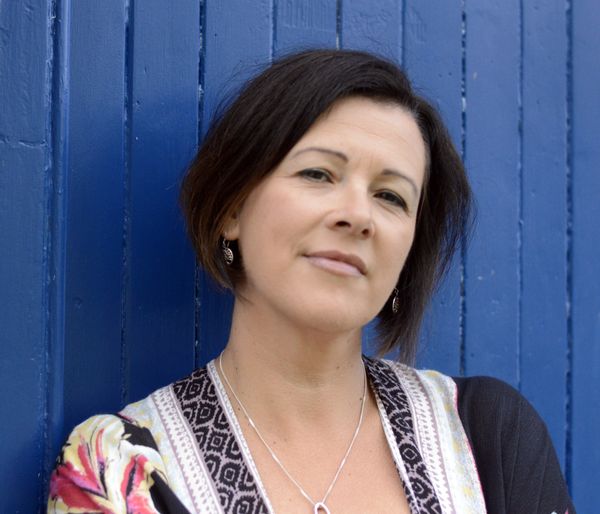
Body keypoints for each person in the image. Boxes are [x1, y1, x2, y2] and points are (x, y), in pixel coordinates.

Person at [47, 49, 575, 514]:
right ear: (233, 208)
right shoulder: (120, 467)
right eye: (318, 174)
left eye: (391, 196)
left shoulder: (486, 436)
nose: (358, 216)